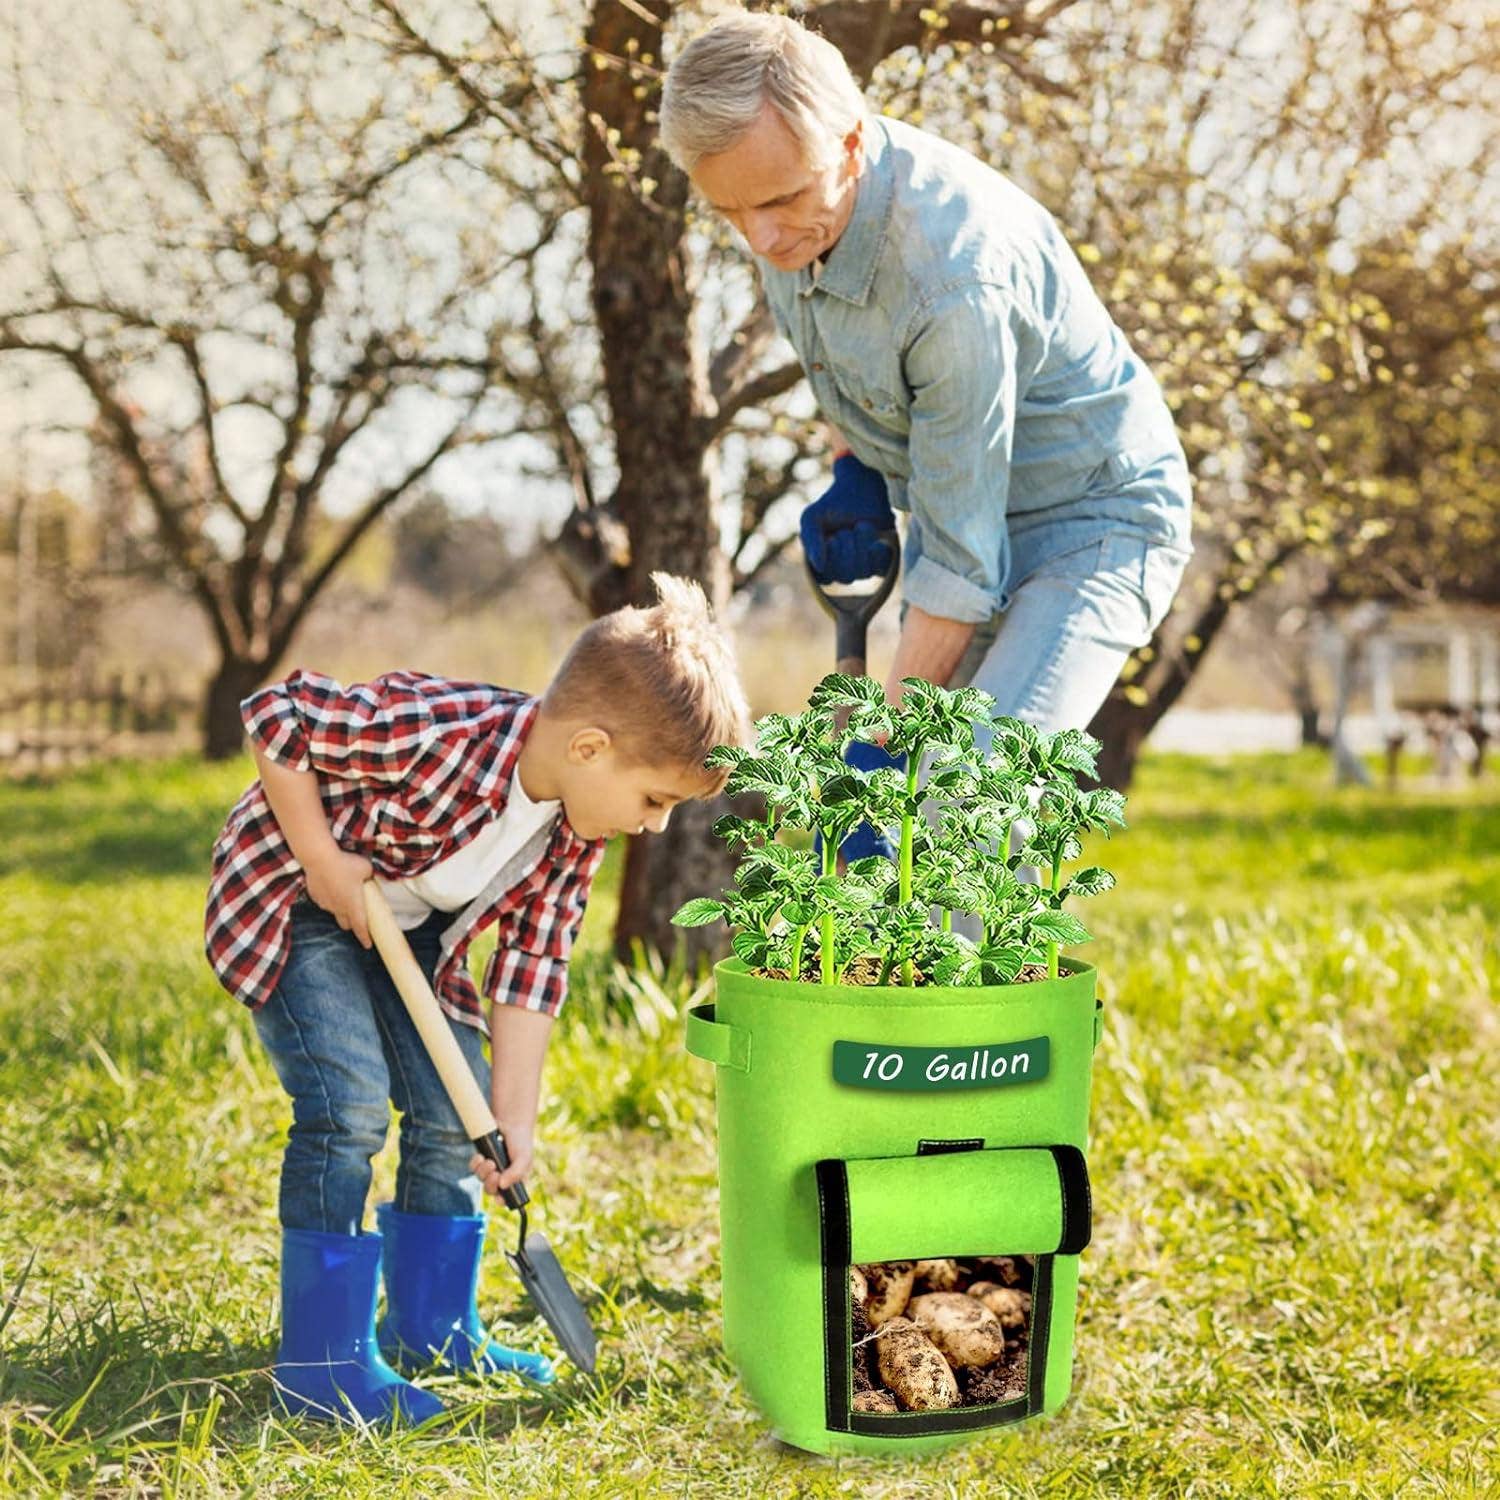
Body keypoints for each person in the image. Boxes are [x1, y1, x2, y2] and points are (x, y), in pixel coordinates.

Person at [204, 574, 750, 1425]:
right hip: (301, 899)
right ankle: (321, 1362)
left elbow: (532, 969)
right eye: (654, 800)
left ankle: (431, 1325)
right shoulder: (437, 732)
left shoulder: (575, 832)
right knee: (349, 1105)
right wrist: (319, 856)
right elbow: (279, 717)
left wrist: (511, 1121)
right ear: (589, 747)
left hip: (405, 930)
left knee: (448, 1111)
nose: (653, 827)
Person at [660, 11, 1193, 851]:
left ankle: (985, 982)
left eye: (778, 202)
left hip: (1093, 521)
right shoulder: (791, 211)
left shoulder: (955, 283)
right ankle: (915, 980)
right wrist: (856, 472)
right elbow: (852, 364)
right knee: (936, 815)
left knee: (969, 797)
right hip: (970, 515)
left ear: (849, 143)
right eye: (730, 212)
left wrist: (879, 749)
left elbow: (961, 561)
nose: (761, 237)